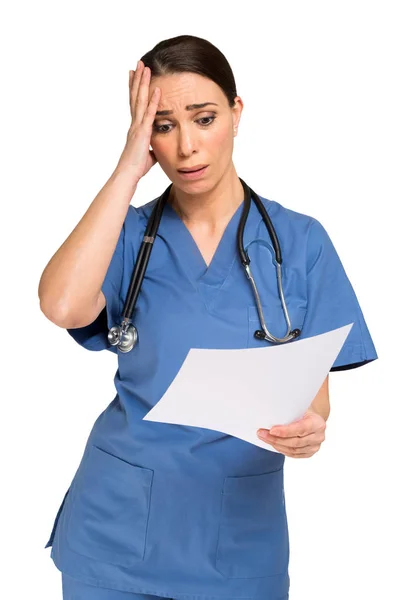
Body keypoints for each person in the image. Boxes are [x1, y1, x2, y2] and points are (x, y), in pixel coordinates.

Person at [39, 34, 378, 600]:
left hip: (238, 541)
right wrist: (128, 168)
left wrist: (310, 432)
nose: (187, 147)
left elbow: (312, 400)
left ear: (237, 113)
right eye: (164, 125)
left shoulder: (301, 243)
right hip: (115, 534)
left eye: (204, 118)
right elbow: (61, 305)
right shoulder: (125, 238)